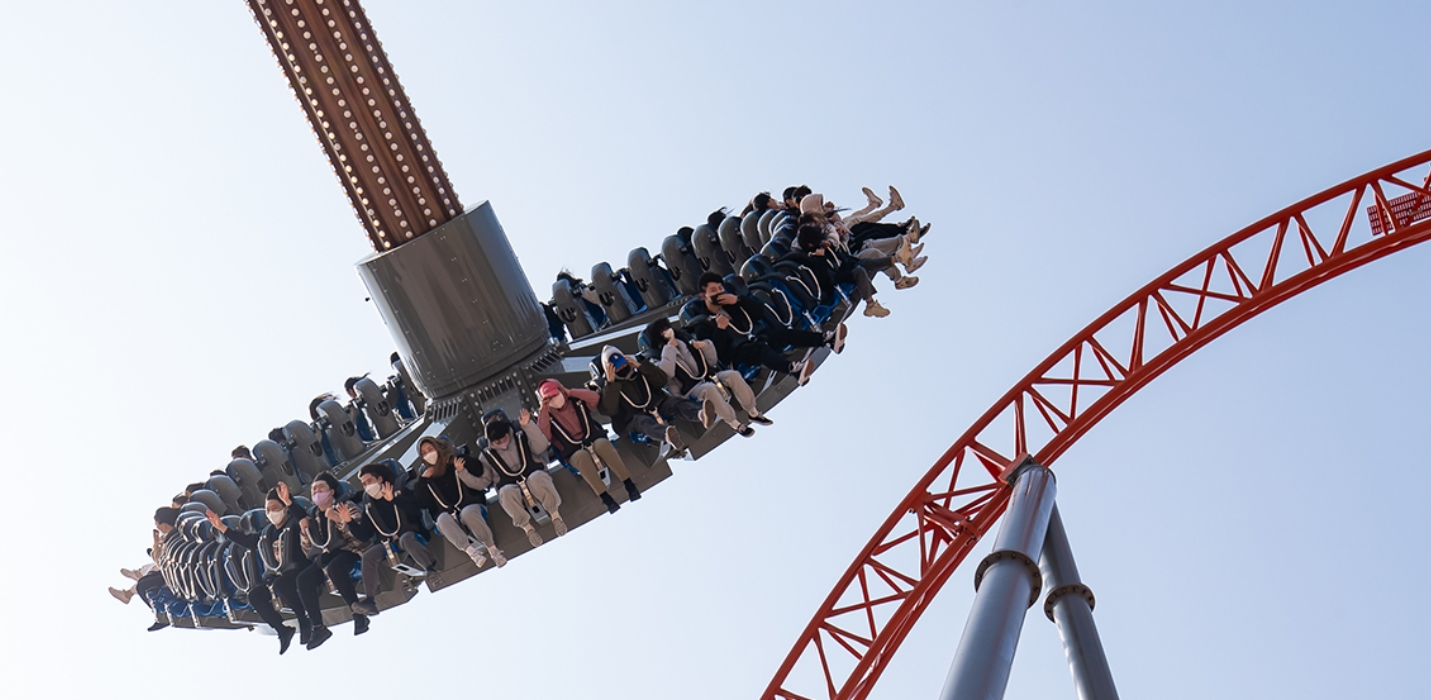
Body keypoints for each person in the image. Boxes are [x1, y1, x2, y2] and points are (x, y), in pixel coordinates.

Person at [205, 483, 326, 652]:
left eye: (275, 508)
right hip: (282, 575)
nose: (271, 513)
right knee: (255, 595)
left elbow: (303, 519)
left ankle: (304, 620)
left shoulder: (294, 523)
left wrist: (289, 501)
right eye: (268, 510)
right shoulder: (267, 533)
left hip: (302, 569)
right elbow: (248, 542)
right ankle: (282, 630)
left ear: (285, 508)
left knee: (283, 584)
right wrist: (223, 528)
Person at [643, 317, 771, 437]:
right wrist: (669, 348)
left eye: (666, 328)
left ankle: (753, 412)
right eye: (662, 331)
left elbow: (711, 361)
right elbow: (666, 373)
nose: (667, 331)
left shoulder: (685, 340)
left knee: (733, 375)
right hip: (689, 389)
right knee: (709, 389)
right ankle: (734, 423)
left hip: (707, 376)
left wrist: (705, 346)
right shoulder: (654, 357)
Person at [535, 378, 642, 514]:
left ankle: (629, 483)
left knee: (603, 445)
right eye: (549, 398)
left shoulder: (577, 401)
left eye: (555, 394)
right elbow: (544, 436)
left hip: (593, 439)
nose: (554, 400)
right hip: (573, 451)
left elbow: (595, 398)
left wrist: (570, 392)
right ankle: (605, 497)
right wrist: (543, 410)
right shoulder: (547, 416)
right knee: (581, 457)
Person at [349, 460, 436, 616]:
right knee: (369, 556)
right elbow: (365, 534)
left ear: (379, 479)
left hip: (412, 533)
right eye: (364, 484)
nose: (367, 486)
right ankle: (370, 600)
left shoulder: (399, 489)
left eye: (369, 481)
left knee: (406, 539)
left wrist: (393, 500)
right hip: (388, 542)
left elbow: (416, 510)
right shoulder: (369, 503)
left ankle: (430, 569)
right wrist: (349, 521)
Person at [295, 472, 372, 638]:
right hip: (326, 556)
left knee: (335, 567)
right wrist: (304, 532)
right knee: (303, 579)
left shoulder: (346, 506)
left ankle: (358, 613)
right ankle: (318, 627)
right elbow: (308, 550)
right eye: (314, 489)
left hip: (350, 551)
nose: (317, 491)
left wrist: (340, 520)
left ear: (331, 491)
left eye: (321, 488)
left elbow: (360, 537)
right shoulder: (313, 516)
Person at [413, 436, 507, 568]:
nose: (428, 454)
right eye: (424, 453)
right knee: (442, 520)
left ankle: (493, 550)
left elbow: (479, 470)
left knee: (468, 513)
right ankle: (472, 552)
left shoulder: (457, 459)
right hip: (448, 514)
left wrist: (460, 464)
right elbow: (423, 503)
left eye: (430, 449)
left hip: (471, 505)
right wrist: (423, 481)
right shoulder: (428, 475)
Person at [477, 410, 567, 548]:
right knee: (505, 493)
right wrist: (463, 472)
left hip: (532, 473)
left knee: (537, 478)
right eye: (497, 441)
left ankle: (555, 514)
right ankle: (527, 527)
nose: (502, 443)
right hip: (509, 484)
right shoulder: (486, 455)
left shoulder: (522, 434)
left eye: (504, 438)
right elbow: (484, 481)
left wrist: (528, 426)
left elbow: (541, 446)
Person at [597, 346, 703, 452]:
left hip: (656, 406)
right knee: (643, 422)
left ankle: (700, 413)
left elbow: (662, 381)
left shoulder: (639, 373)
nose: (622, 369)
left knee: (674, 402)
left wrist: (642, 367)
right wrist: (611, 384)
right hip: (632, 420)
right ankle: (668, 435)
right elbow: (609, 410)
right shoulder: (606, 388)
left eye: (623, 365)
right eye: (618, 368)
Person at [791, 224, 894, 318]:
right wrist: (820, 258)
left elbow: (843, 256)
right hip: (836, 278)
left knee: (865, 263)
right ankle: (871, 305)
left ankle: (895, 259)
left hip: (844, 266)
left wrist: (833, 244)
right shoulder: (811, 257)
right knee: (860, 271)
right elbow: (825, 278)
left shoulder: (824, 246)